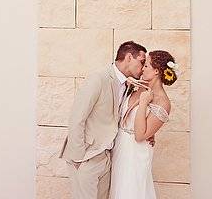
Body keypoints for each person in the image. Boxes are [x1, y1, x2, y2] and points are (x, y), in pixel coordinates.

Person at [59, 41, 147, 199]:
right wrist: (80, 158)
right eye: (141, 62)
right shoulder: (98, 79)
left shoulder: (126, 84)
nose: (143, 68)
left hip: (107, 158)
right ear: (128, 57)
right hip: (87, 157)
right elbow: (76, 118)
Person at [109, 49, 179, 199]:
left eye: (145, 65)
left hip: (135, 152)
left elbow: (140, 136)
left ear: (156, 71)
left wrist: (143, 103)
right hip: (120, 145)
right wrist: (126, 83)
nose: (142, 68)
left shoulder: (162, 102)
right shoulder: (137, 85)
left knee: (130, 191)